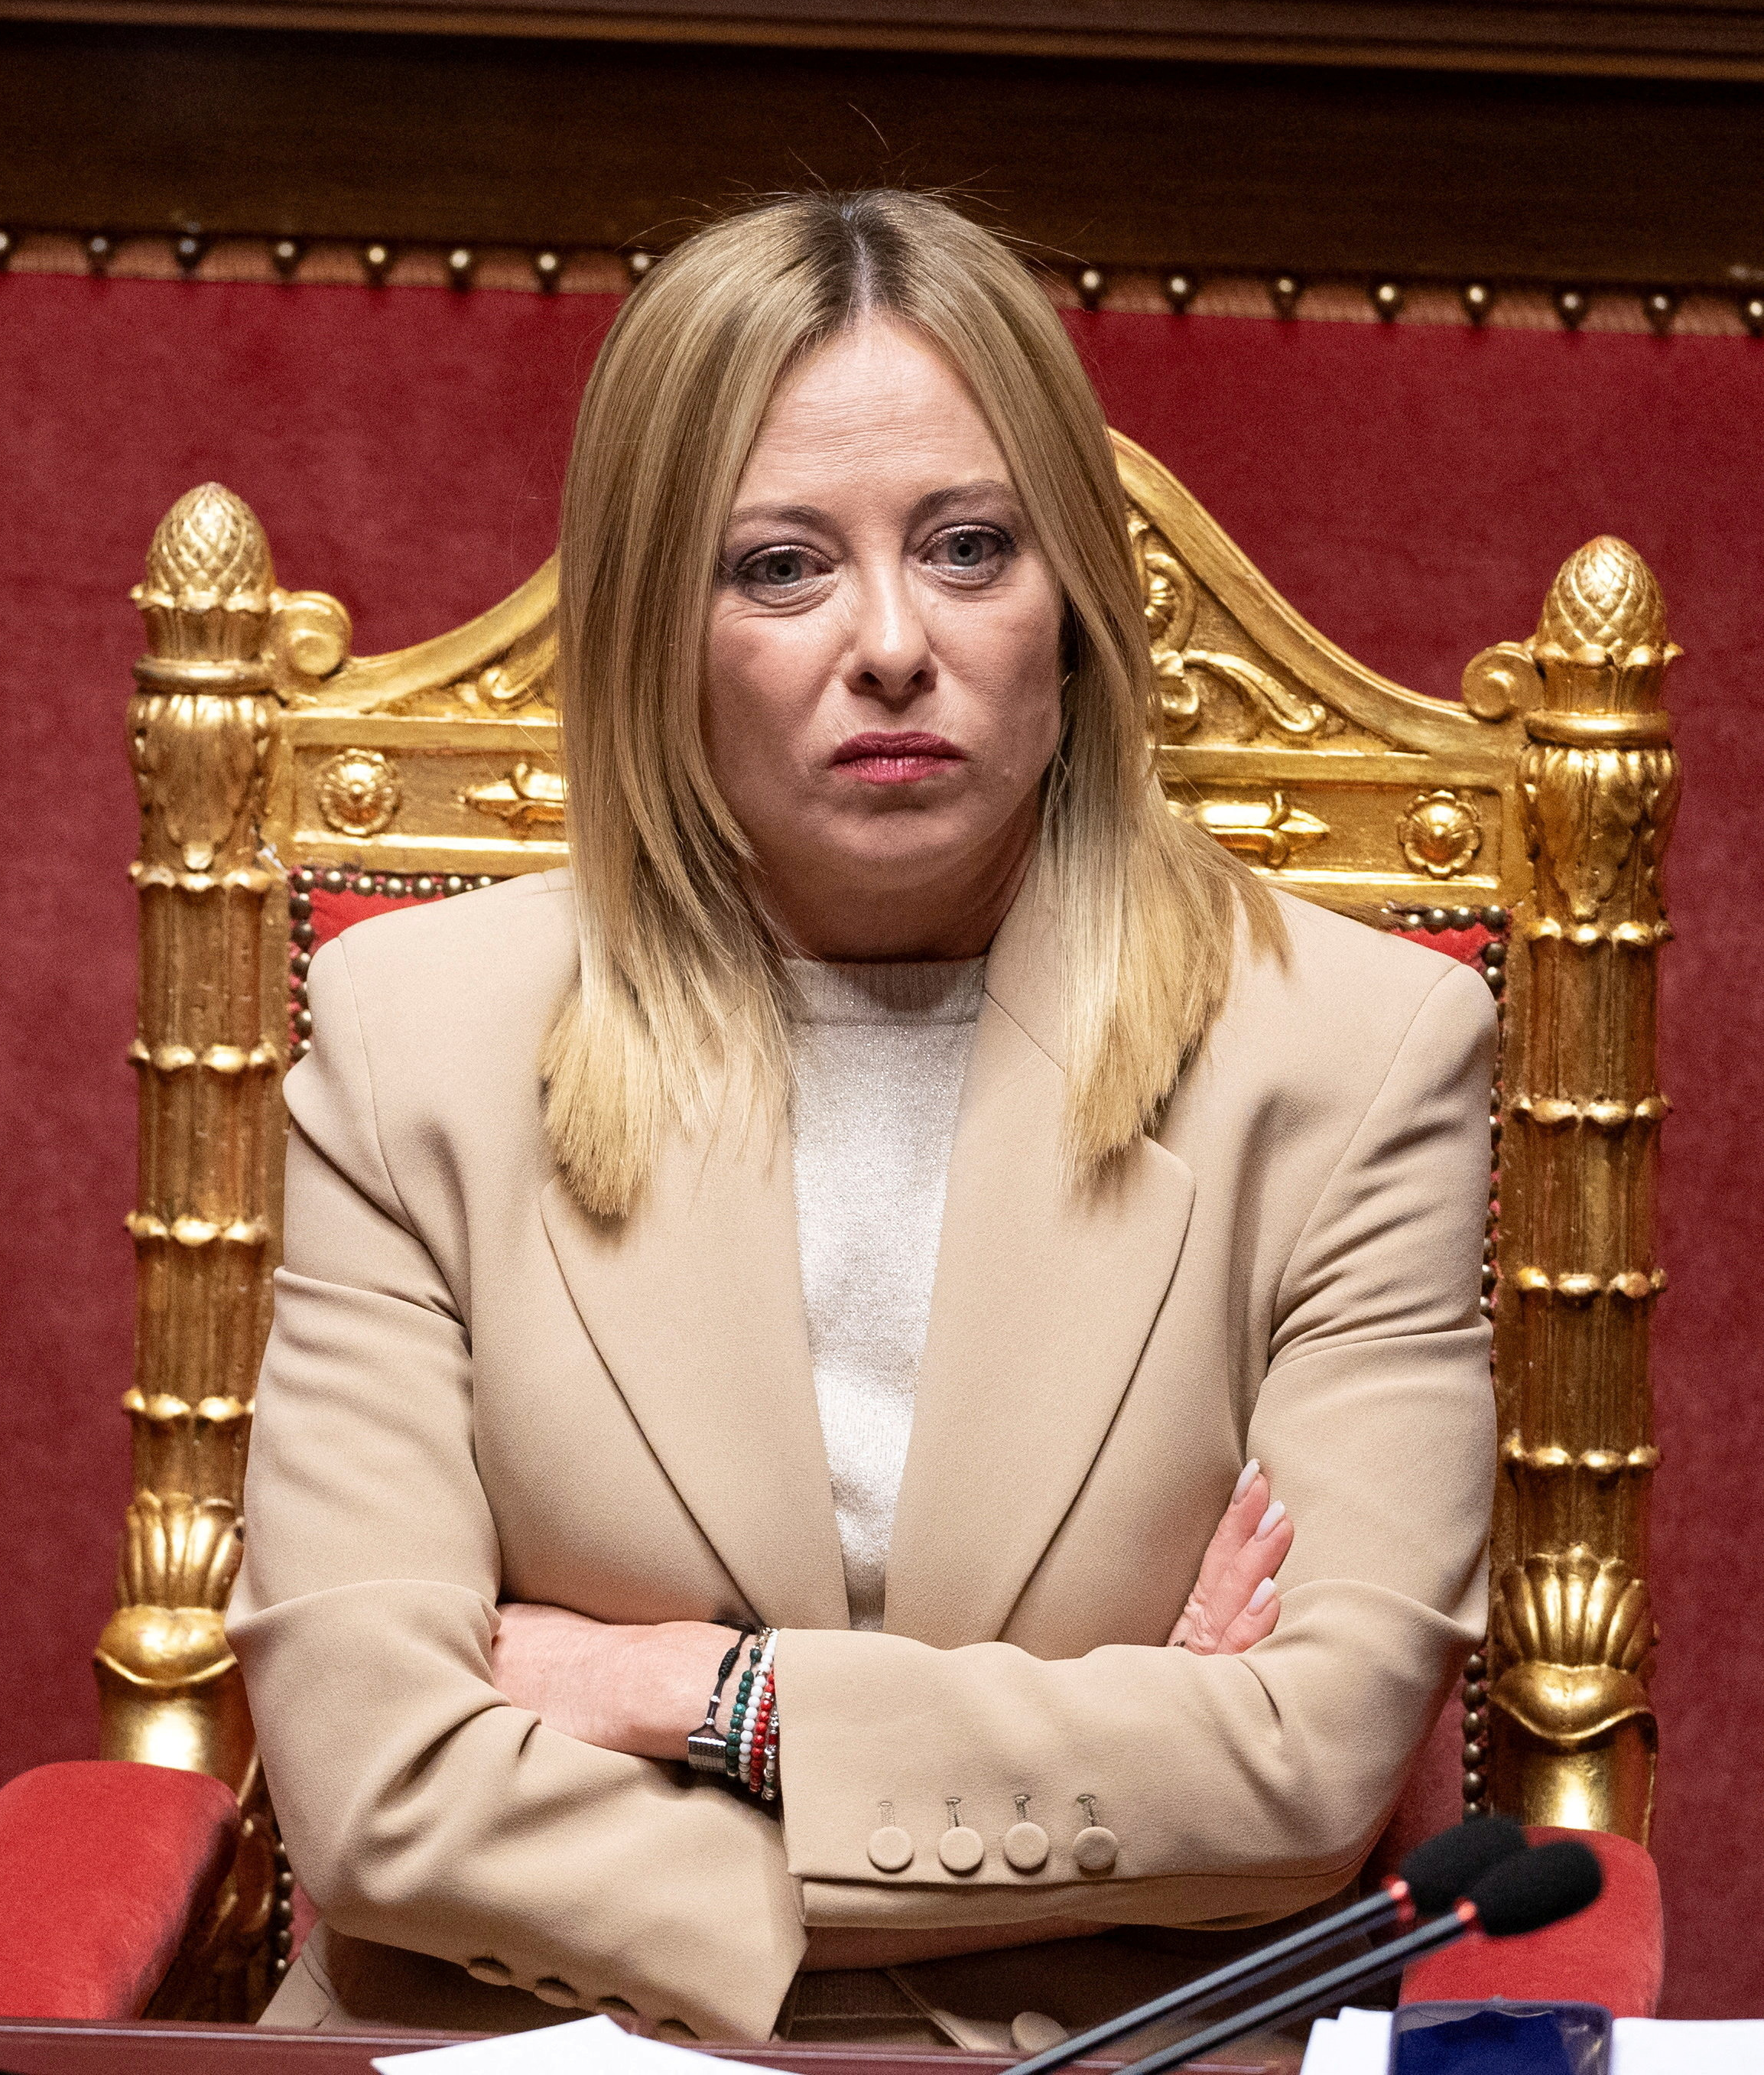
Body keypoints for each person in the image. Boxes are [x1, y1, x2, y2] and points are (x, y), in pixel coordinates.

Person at [232, 190, 1494, 2051]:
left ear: (1069, 605)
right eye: (777, 567)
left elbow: (1307, 1769)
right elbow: (375, 1791)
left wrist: (700, 1697)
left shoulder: (1356, 1053)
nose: (891, 642)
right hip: (530, 2044)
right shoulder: (416, 1040)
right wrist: (1097, 1786)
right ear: (658, 622)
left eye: (969, 546)